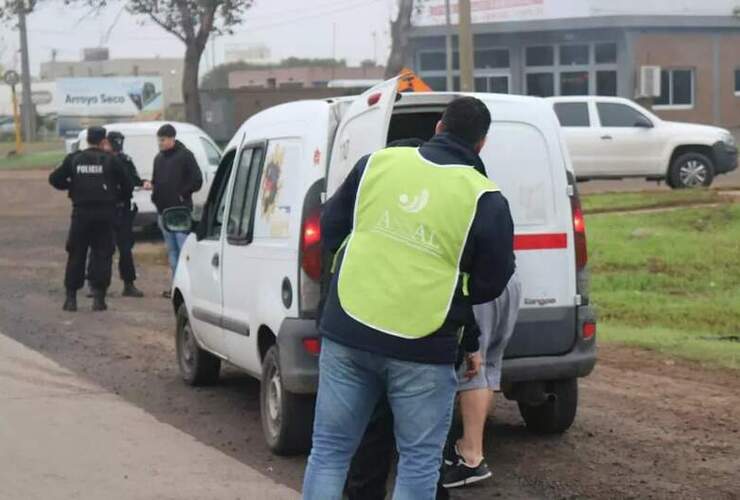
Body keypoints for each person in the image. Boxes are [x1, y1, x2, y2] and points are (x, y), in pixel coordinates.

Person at [302, 97, 515, 500]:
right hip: (423, 344)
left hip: (349, 327)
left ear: (439, 127)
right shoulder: (485, 198)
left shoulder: (375, 164)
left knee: (329, 452)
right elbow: (493, 280)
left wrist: (360, 258)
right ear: (481, 144)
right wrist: (456, 290)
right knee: (418, 461)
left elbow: (330, 229)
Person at [441, 272, 522, 489]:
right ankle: (471, 449)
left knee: (472, 368)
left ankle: (471, 455)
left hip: (479, 286)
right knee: (490, 366)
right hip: (510, 282)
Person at [49, 126, 133, 312]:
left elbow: (55, 179)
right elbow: (127, 186)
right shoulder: (111, 160)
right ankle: (99, 298)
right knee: (102, 254)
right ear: (104, 141)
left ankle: (71, 299)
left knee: (76, 253)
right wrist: (115, 196)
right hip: (105, 213)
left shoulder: (74, 159)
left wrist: (72, 185)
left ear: (87, 139)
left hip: (81, 213)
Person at [148, 123, 202, 297]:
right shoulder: (158, 158)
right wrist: (154, 194)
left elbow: (197, 180)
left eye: (163, 140)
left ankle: (189, 290)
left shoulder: (186, 156)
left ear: (172, 138)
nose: (160, 143)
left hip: (180, 214)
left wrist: (182, 194)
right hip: (163, 213)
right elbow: (156, 180)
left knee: (183, 252)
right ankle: (176, 288)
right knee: (172, 252)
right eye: (159, 140)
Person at [106, 130, 145, 298]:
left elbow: (135, 181)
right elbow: (134, 182)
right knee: (105, 248)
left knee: (122, 248)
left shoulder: (121, 160)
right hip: (110, 209)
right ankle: (100, 285)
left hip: (119, 209)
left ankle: (127, 284)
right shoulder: (105, 160)